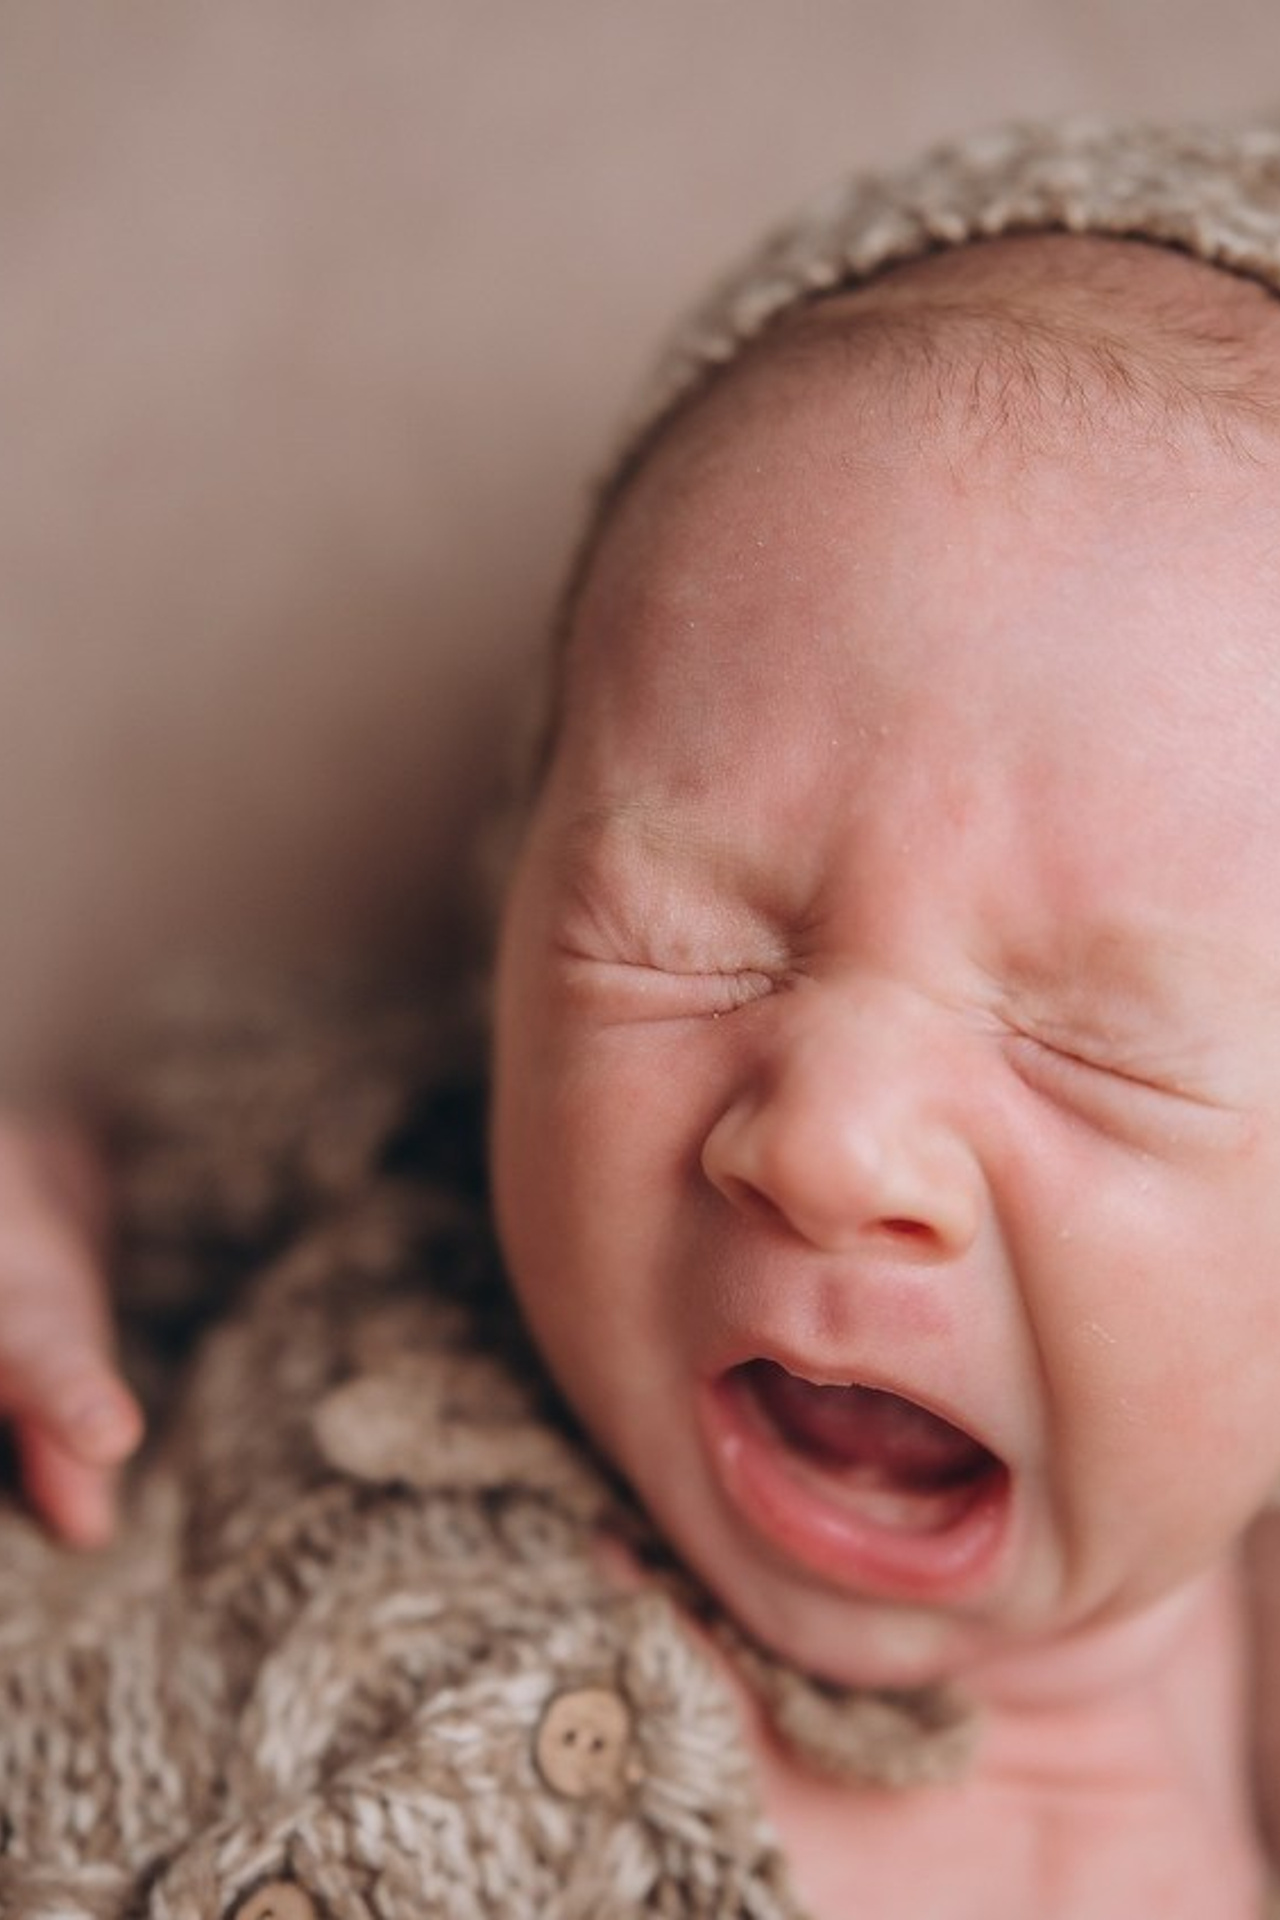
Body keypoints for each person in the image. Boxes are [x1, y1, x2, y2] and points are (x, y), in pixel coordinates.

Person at [4, 117, 1280, 1917]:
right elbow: (108, 1151)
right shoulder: (398, 1155)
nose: (829, 1138)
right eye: (681, 937)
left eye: (1102, 1048)